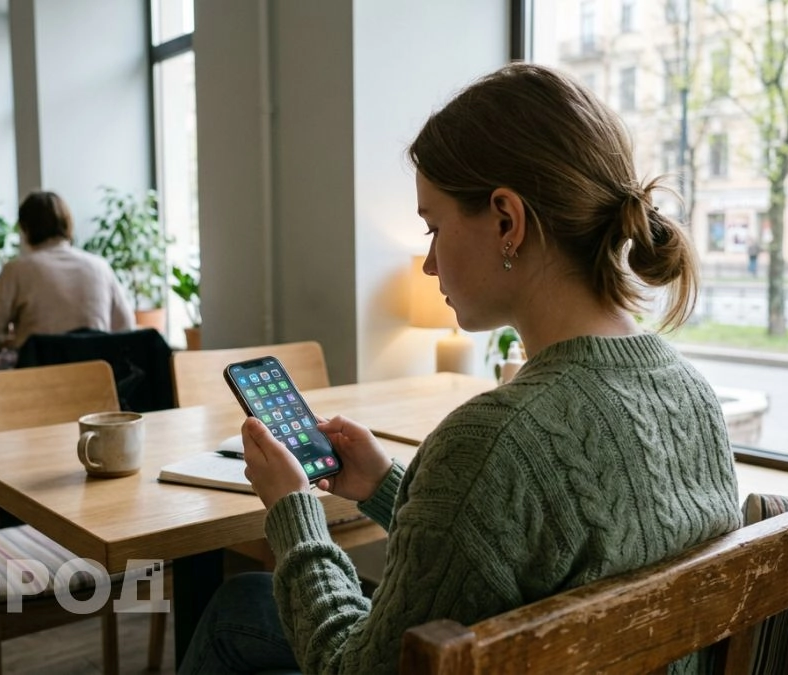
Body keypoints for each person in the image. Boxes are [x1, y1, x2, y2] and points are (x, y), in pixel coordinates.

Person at [179, 63, 741, 675]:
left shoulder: (494, 438)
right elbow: (530, 547)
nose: (427, 263)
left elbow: (351, 670)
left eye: (433, 227)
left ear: (507, 221)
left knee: (240, 608)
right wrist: (385, 485)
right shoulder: (691, 393)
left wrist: (294, 512)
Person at [0, 190, 134, 351]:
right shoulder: (100, 267)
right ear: (68, 224)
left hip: (39, 375)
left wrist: (14, 342)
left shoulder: (17, 271)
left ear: (25, 229)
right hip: (96, 374)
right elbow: (126, 327)